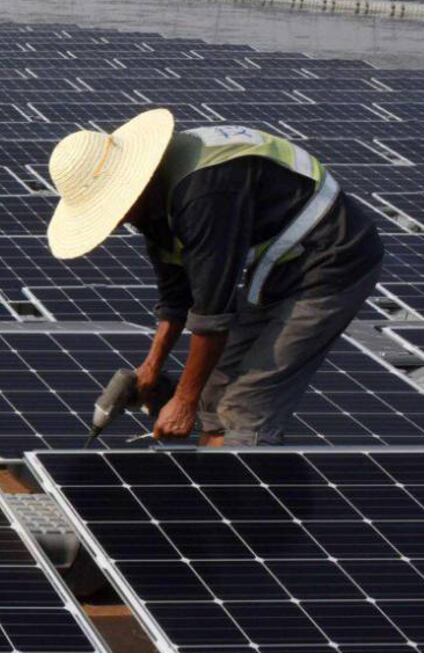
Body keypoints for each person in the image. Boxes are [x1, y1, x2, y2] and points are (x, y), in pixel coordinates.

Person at [47, 109, 384, 446]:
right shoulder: (157, 198)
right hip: (281, 266)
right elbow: (177, 297)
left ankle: (240, 486)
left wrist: (182, 401)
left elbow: (211, 315)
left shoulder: (202, 197)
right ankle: (217, 465)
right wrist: (150, 367)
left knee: (246, 405)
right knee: (213, 390)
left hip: (335, 259)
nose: (117, 222)